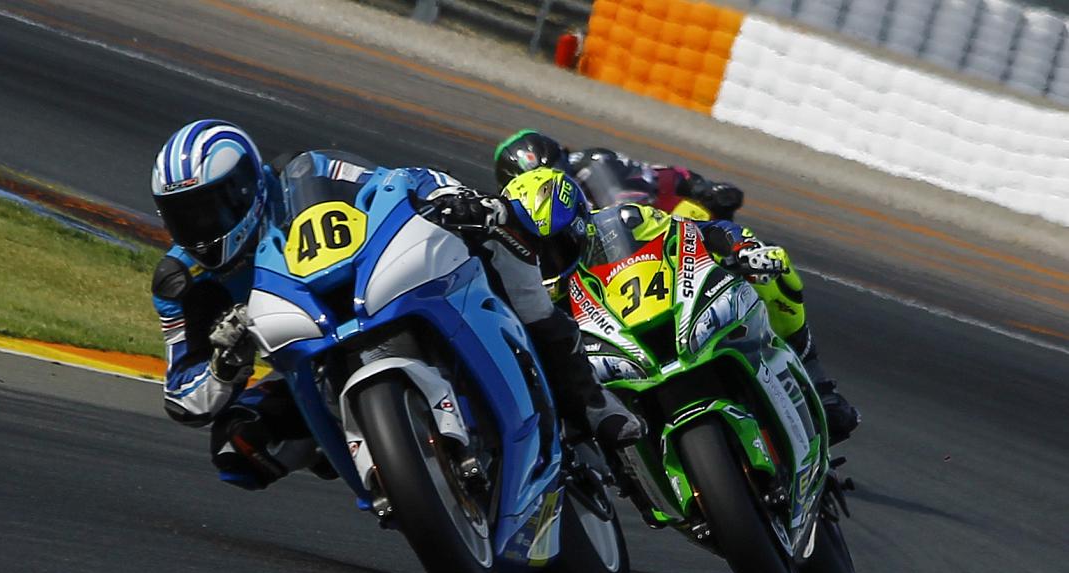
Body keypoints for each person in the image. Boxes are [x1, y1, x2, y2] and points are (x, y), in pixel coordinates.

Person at [149, 119, 642, 491]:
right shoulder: (181, 282)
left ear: (245, 188)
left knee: (501, 248)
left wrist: (453, 198)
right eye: (183, 217)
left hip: (377, 286)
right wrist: (224, 363)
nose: (200, 228)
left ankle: (590, 400)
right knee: (237, 445)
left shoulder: (304, 175)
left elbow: (392, 180)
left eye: (210, 207)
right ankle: (381, 450)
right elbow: (183, 397)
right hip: (307, 350)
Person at [527, 195, 860, 444]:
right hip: (618, 352)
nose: (549, 259)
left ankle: (819, 385)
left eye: (555, 246)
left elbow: (698, 231)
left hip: (673, 313)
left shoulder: (627, 219)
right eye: (538, 252)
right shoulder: (535, 288)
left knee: (774, 270)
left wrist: (741, 248)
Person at [493, 129, 744, 221]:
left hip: (653, 230)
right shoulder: (520, 220)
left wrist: (705, 189)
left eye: (555, 174)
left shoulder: (594, 162)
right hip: (601, 275)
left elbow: (662, 175)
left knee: (693, 213)